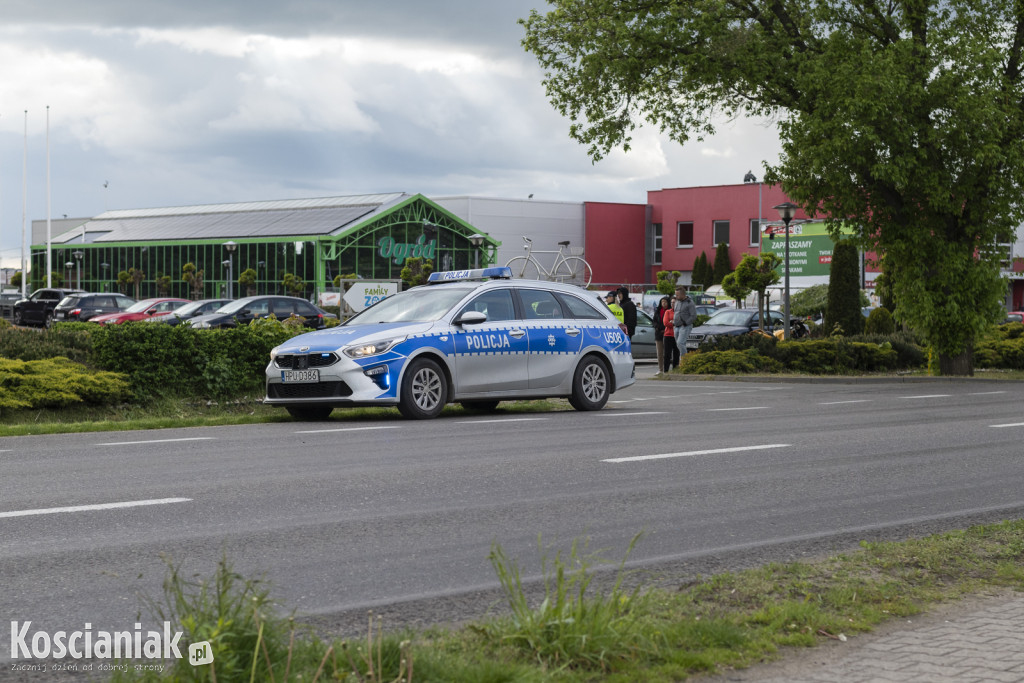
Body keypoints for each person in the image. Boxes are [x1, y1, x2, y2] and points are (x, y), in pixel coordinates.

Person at [674, 285, 697, 359]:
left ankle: (684, 361)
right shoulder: (677, 302)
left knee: (680, 343)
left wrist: (686, 323)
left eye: (677, 295)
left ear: (683, 294)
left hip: (685, 326)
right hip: (676, 326)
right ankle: (683, 359)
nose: (676, 296)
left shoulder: (690, 303)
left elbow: (693, 316)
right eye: (676, 295)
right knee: (678, 344)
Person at [653, 296, 670, 372]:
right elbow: (654, 321)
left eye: (665, 302)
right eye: (662, 301)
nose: (664, 303)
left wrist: (664, 328)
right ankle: (660, 369)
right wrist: (657, 327)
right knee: (659, 353)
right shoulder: (658, 310)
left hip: (667, 333)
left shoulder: (670, 311)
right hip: (658, 334)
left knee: (667, 353)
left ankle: (667, 369)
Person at [662, 295, 679, 371]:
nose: (672, 304)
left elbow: (680, 322)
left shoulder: (679, 312)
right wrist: (674, 323)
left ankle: (675, 369)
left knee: (676, 354)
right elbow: (665, 323)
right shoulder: (668, 312)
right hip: (668, 335)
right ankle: (665, 370)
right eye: (671, 302)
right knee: (667, 354)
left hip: (677, 335)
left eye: (674, 302)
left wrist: (673, 322)